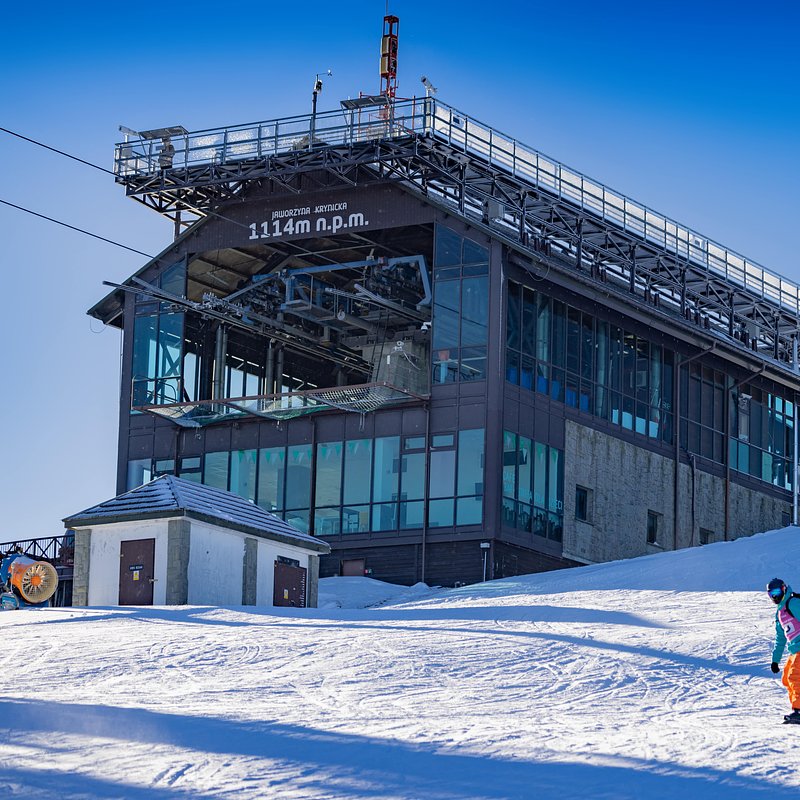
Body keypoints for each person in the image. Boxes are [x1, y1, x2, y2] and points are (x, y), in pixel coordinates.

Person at [767, 577, 800, 724]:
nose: (774, 596)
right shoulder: (780, 612)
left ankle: (798, 710)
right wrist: (775, 660)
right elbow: (780, 639)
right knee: (787, 678)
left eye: (776, 592)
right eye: (771, 593)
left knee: (795, 676)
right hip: (795, 650)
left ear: (784, 589)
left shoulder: (793, 603)